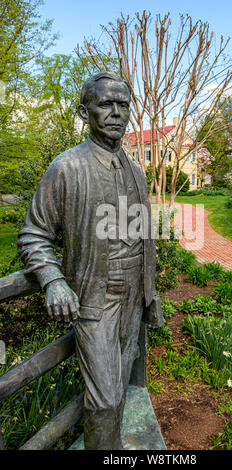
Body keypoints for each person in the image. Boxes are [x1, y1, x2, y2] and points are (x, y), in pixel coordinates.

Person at [17, 72, 160, 450]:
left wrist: (151, 295)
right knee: (104, 399)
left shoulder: (136, 171)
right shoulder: (66, 168)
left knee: (124, 379)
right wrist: (53, 280)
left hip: (133, 297)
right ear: (85, 112)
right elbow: (33, 234)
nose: (116, 113)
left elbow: (145, 237)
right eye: (105, 104)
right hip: (96, 298)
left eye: (123, 105)